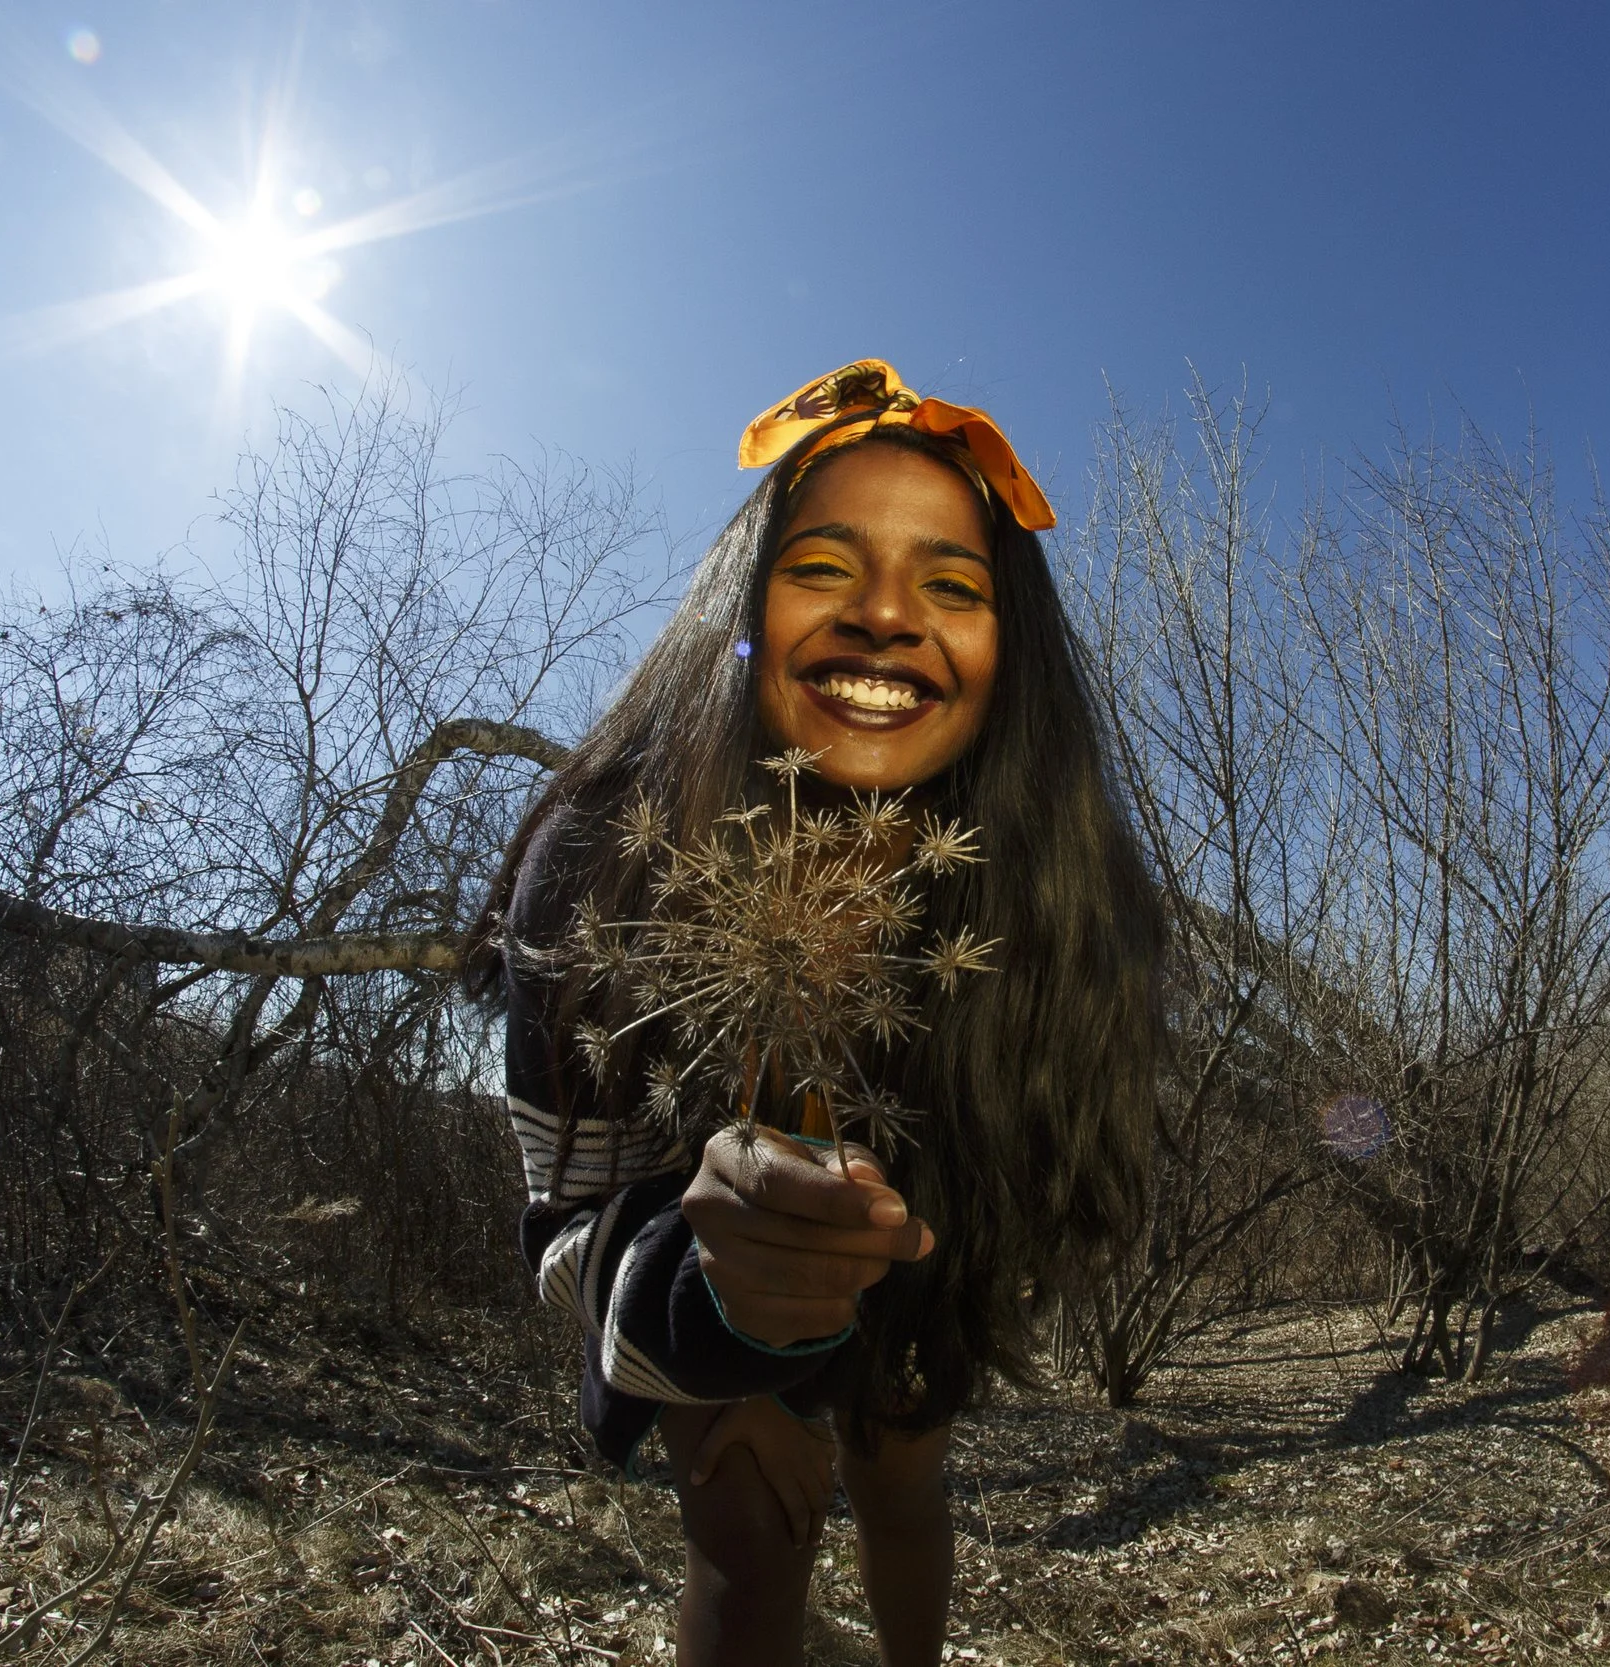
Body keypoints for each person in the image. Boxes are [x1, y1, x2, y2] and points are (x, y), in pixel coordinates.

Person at [464, 359, 1160, 1667]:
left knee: (901, 1470)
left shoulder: (1046, 897)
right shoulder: (599, 850)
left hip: (920, 1224)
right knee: (753, 1510)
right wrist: (706, 1291)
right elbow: (559, 1217)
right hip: (680, 1246)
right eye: (826, 565)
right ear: (742, 610)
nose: (889, 617)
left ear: (1012, 657)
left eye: (951, 584)